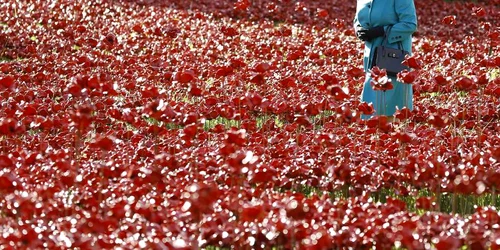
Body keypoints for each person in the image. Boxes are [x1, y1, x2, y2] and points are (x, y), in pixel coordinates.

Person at [354, 0, 418, 120]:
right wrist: (359, 30)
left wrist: (382, 31)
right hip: (372, 59)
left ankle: (389, 136)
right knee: (370, 107)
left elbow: (410, 24)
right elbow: (358, 20)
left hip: (393, 60)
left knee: (389, 109)